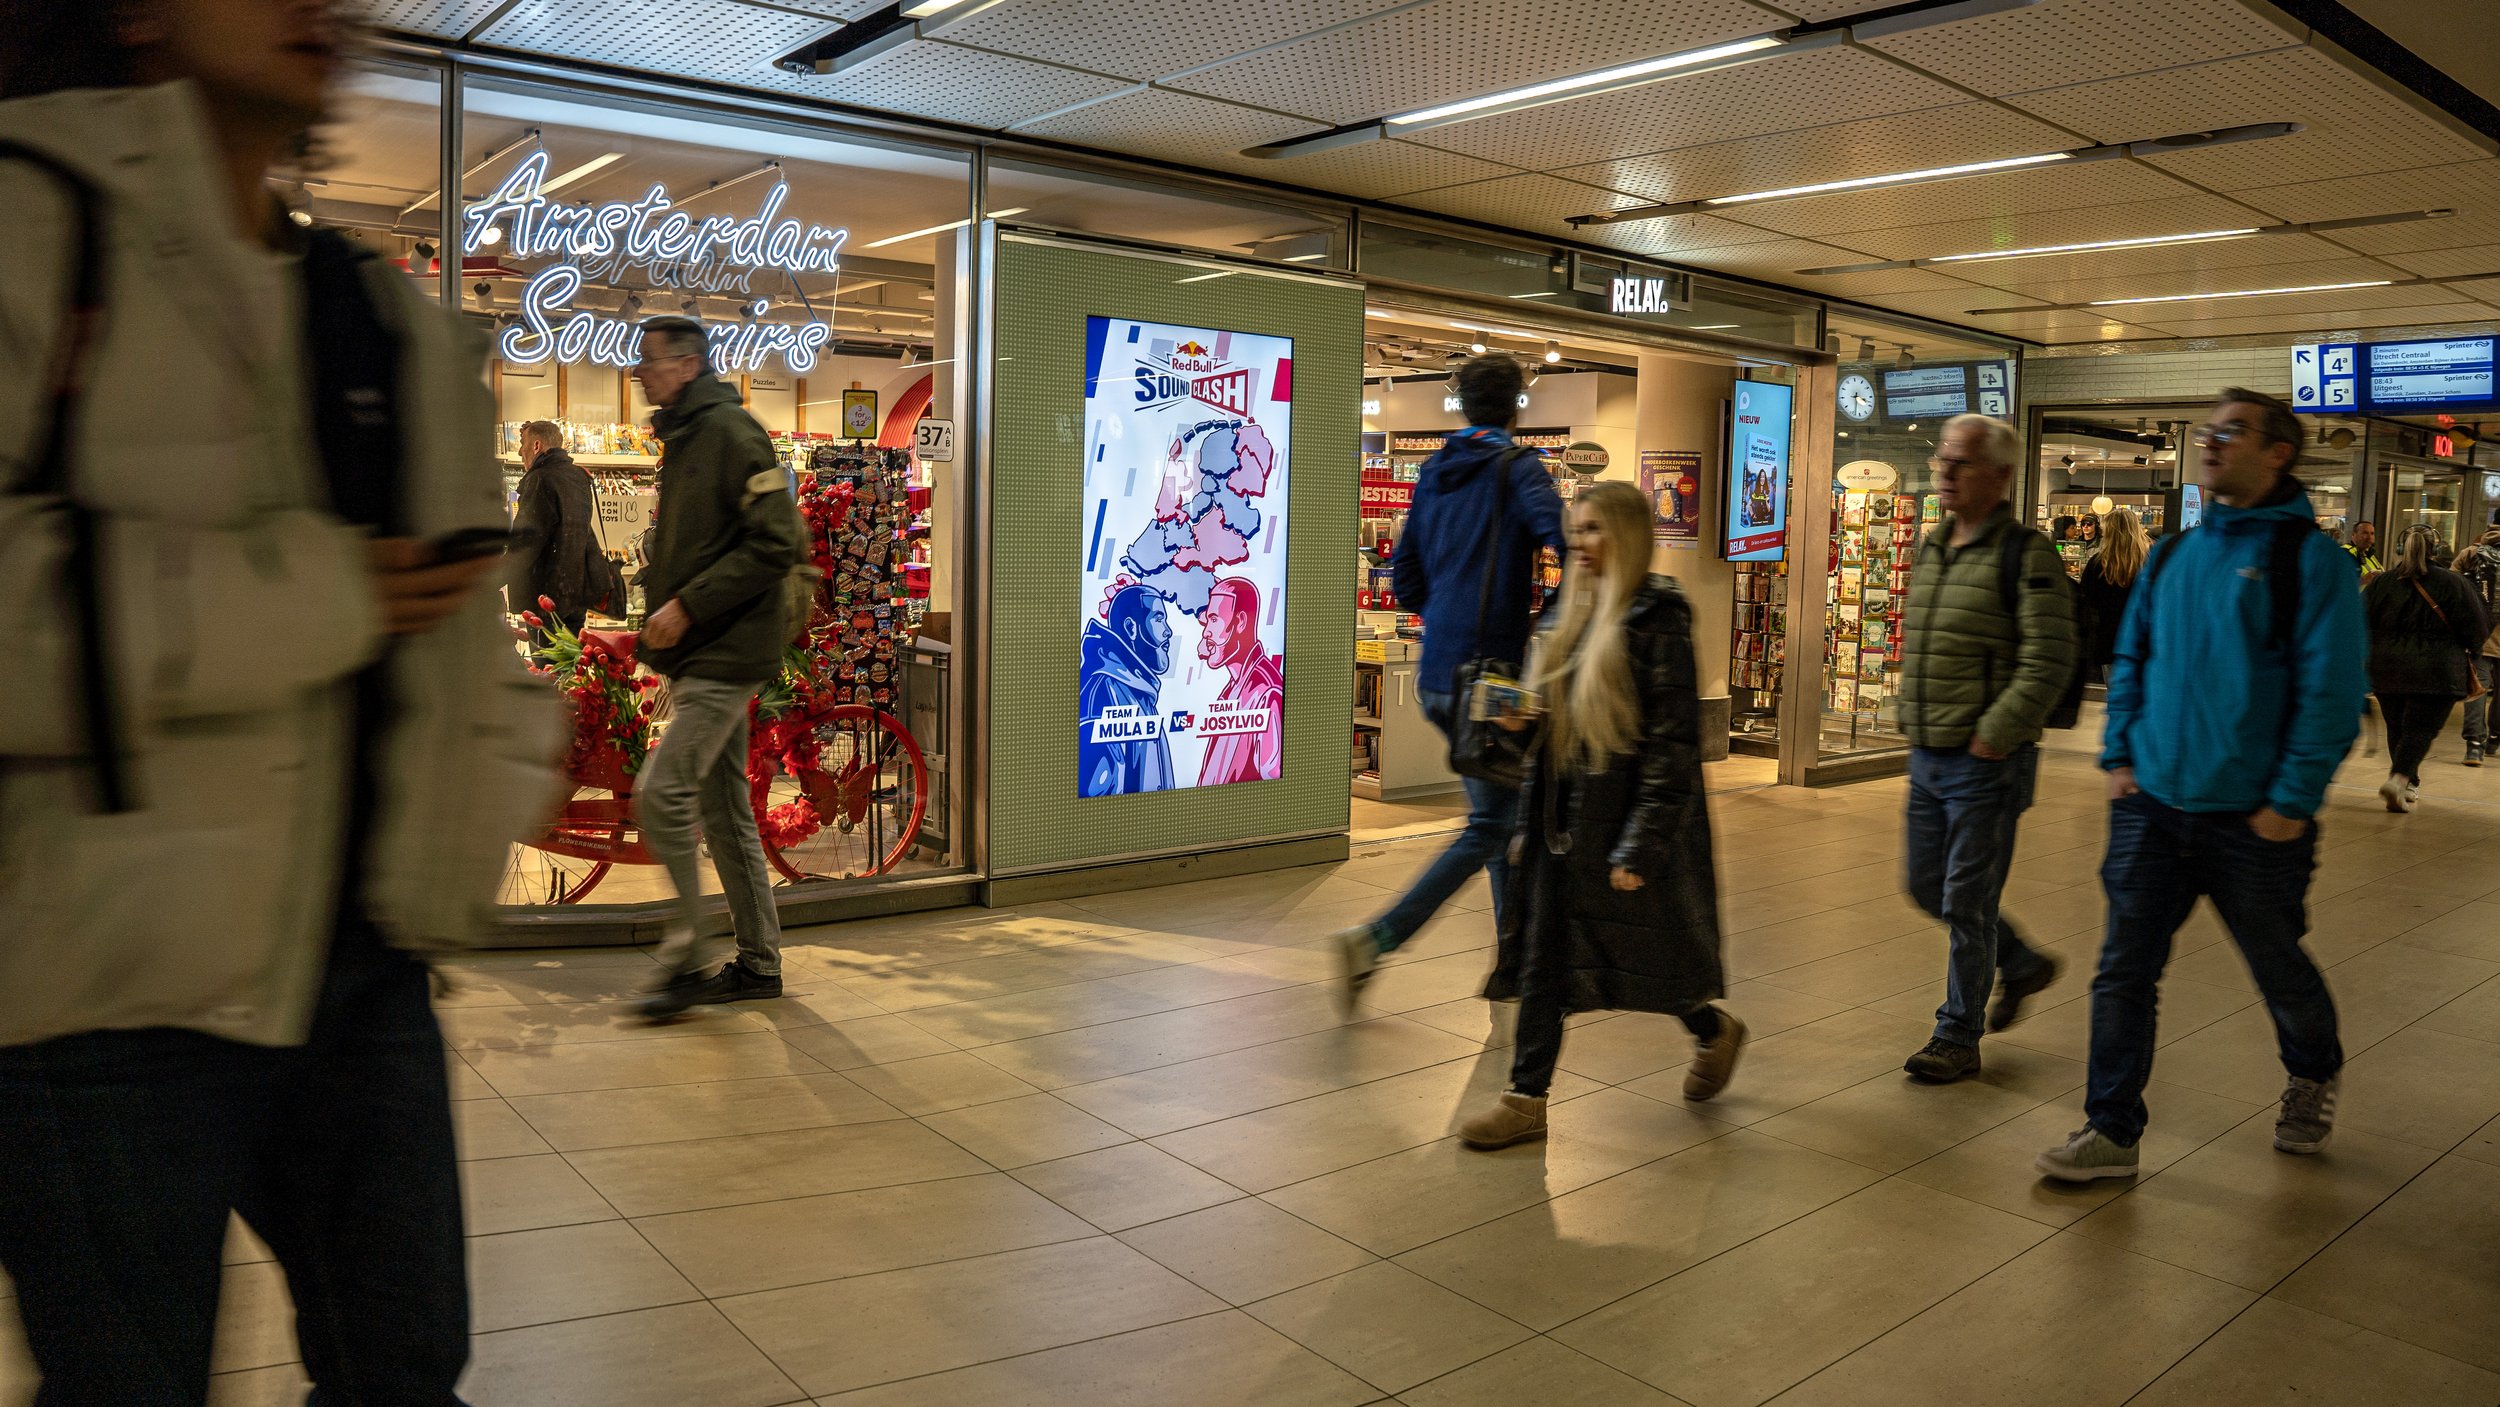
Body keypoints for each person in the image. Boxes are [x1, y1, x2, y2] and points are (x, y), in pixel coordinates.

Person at [0, 2, 562, 1400]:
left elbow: (459, 616)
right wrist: (323, 594)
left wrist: (468, 822)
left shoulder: (372, 309)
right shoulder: (33, 212)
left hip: (360, 958)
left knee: (407, 1362)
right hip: (105, 983)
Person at [2039, 389, 2367, 1182]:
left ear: (2277, 452)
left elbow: (2330, 693)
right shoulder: (2174, 553)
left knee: (2274, 960)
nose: (2211, 445)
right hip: (2151, 804)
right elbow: (2133, 660)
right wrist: (2120, 757)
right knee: (2124, 967)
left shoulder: (2312, 563)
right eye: (2209, 434)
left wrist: (2290, 802)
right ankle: (2111, 1127)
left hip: (2251, 818)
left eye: (2230, 433)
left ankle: (2313, 1066)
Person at [1458, 483, 1743, 1148]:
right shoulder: (1566, 609)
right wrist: (1519, 719)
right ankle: (1526, 1097)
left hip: (1620, 823)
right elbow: (1549, 731)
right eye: (1573, 530)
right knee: (1544, 962)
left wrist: (1641, 846)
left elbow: (1672, 748)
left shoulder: (1659, 619)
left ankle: (1713, 1029)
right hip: (1561, 818)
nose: (1577, 544)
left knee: (1648, 956)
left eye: (1592, 530)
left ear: (1627, 534)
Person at [1333, 354, 1564, 1009]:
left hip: (1438, 674)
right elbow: (1565, 540)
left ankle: (1511, 962)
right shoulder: (1518, 467)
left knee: (1499, 811)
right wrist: (1550, 618)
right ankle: (1377, 937)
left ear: (1461, 407)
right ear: (1518, 406)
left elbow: (1403, 573)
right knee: (1491, 824)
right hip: (1491, 676)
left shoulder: (1434, 471)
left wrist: (1446, 616)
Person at [1891, 414, 2076, 1083]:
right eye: (1943, 457)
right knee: (1922, 883)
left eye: (1960, 461)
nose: (1944, 470)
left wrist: (1996, 733)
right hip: (1929, 750)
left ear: (1999, 475)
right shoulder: (1936, 543)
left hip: (1986, 762)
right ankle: (2021, 960)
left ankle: (1957, 1033)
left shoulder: (2024, 554)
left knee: (1967, 898)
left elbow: (2051, 656)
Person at [632, 315, 806, 1020]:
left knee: (659, 792)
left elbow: (776, 542)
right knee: (722, 805)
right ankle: (758, 962)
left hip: (727, 648)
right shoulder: (689, 435)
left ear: (687, 364)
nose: (639, 372)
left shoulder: (733, 433)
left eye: (649, 360)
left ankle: (686, 949)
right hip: (705, 646)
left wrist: (686, 606)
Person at [2363, 525, 2487, 811]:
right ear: (2436, 549)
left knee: (2397, 725)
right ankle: (2400, 778)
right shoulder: (2452, 583)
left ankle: (2408, 783)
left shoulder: (2382, 583)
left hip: (2386, 666)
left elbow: (2361, 620)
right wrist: (2474, 652)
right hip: (2437, 668)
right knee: (2420, 728)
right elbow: (2475, 625)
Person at [1079, 582, 1178, 795]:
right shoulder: (1104, 692)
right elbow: (1093, 801)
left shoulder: (1139, 691)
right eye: (1159, 619)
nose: (1168, 632)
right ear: (1132, 628)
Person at [511, 418, 599, 642]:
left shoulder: (540, 479)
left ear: (537, 446)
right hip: (575, 596)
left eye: (523, 443)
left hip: (545, 599)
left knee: (545, 672)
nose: (521, 451)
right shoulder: (579, 477)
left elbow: (526, 542)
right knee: (568, 670)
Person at [1196, 576, 1283, 786]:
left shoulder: (1267, 692)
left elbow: (1271, 780)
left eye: (1214, 619)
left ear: (1241, 621)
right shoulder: (1231, 690)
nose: (1206, 631)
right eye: (1208, 620)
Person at [2078, 507, 2148, 683]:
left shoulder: (2097, 564)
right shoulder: (2150, 561)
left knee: (2117, 696)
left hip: (2109, 641)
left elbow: (2085, 603)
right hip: (2143, 642)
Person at [2452, 521, 2500, 766]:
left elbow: (2452, 587)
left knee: (2477, 687)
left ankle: (2474, 746)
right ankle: (2494, 737)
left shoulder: (2471, 553)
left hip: (2479, 632)